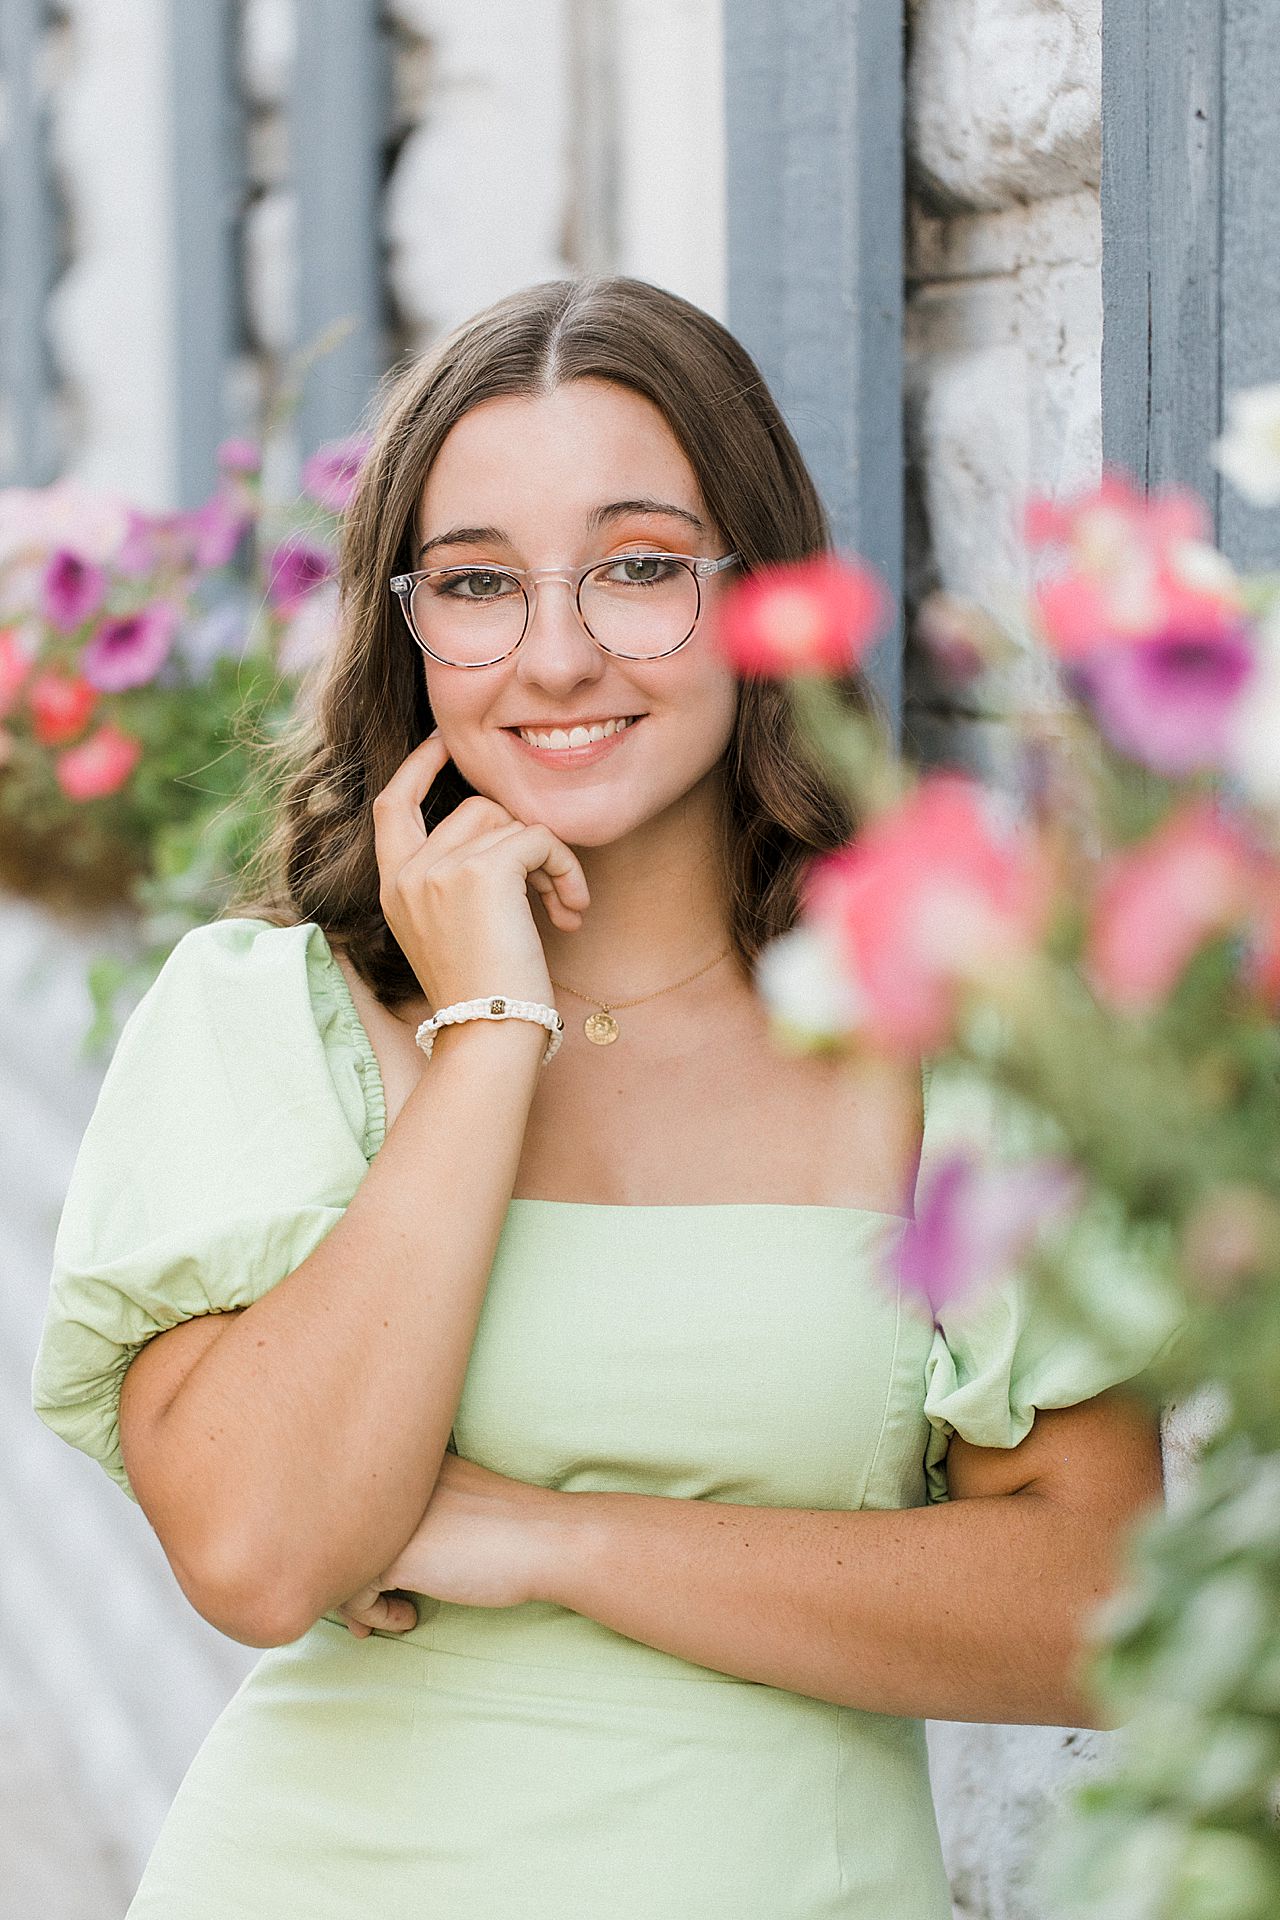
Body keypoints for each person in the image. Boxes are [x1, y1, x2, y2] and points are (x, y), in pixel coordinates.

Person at [31, 276, 1181, 1919]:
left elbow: (1095, 1609)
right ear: (405, 624)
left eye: (641, 568)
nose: (557, 655)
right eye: (480, 585)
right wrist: (493, 1028)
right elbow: (264, 1554)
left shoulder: (954, 1041)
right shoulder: (268, 1019)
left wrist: (547, 1540)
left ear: (760, 594)